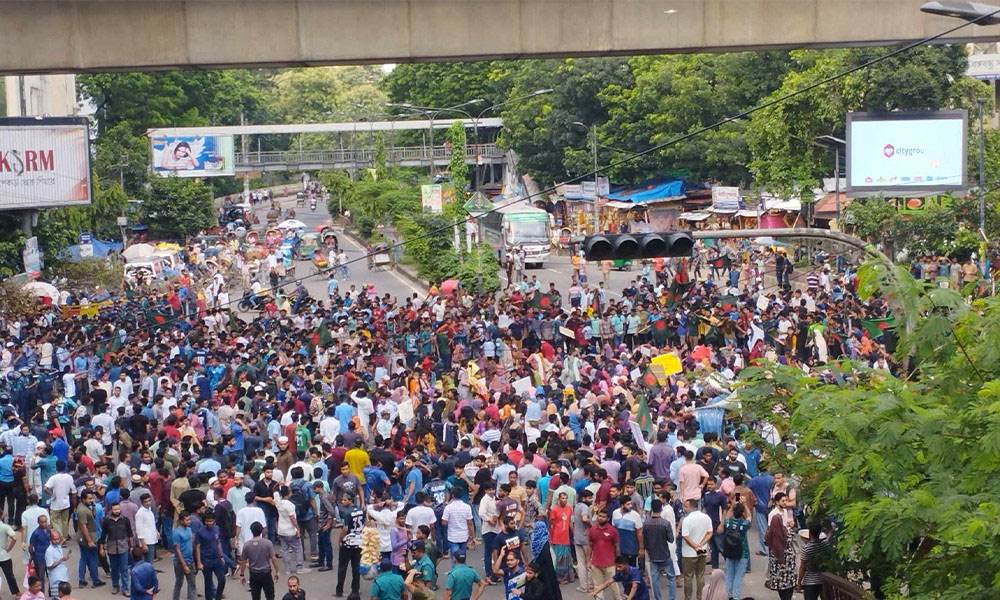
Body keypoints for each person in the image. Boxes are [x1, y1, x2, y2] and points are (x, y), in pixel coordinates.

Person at [764, 493, 797, 600]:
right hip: (783, 560)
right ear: (777, 502)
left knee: (783, 582)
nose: (785, 503)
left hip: (782, 560)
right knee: (785, 583)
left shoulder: (785, 512)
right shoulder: (773, 515)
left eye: (785, 501)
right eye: (783, 501)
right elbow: (772, 531)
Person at [643, 499, 677, 600]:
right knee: (671, 577)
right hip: (665, 554)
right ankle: (671, 598)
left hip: (653, 555)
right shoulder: (665, 523)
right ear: (661, 509)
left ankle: (658, 598)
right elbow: (671, 539)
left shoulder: (646, 523)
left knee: (655, 579)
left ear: (652, 509)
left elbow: (645, 540)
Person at [98, 501, 133, 595]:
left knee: (124, 568)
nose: (117, 511)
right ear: (111, 510)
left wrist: (132, 546)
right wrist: (101, 548)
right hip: (112, 548)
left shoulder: (125, 520)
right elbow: (103, 536)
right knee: (114, 569)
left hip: (123, 548)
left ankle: (125, 588)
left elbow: (130, 533)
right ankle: (115, 586)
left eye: (118, 509)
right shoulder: (107, 522)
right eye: (115, 509)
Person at [679, 499, 712, 600]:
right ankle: (700, 597)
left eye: (685, 506)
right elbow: (710, 532)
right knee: (700, 575)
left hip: (689, 553)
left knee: (688, 577)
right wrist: (700, 545)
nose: (684, 509)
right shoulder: (706, 517)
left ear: (691, 507)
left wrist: (694, 546)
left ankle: (688, 598)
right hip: (702, 550)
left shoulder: (686, 520)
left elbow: (685, 536)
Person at [239, 522, 280, 600]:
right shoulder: (267, 543)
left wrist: (242, 574)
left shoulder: (247, 545)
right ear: (262, 530)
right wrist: (277, 571)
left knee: (255, 596)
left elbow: (243, 561)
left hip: (254, 574)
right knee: (270, 596)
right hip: (266, 573)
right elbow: (273, 558)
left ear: (251, 531)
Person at [718, 504, 750, 600]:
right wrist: (745, 505)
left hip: (729, 552)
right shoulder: (744, 524)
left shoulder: (728, 522)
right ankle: (736, 596)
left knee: (729, 574)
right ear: (742, 513)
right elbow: (749, 517)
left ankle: (728, 594)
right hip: (742, 553)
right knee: (738, 576)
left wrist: (732, 505)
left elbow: (727, 516)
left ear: (733, 513)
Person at [797, 521, 835, 600]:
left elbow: (802, 567)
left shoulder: (806, 549)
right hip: (823, 579)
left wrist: (799, 582)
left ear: (810, 534)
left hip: (810, 581)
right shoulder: (825, 545)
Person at [335, 492, 364, 598]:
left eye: (344, 500)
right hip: (359, 542)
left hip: (348, 542)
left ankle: (339, 590)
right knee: (356, 566)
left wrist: (340, 540)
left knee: (343, 566)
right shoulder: (361, 510)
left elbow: (345, 528)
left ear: (350, 500)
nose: (342, 502)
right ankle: (355, 589)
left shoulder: (346, 512)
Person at [194, 511, 226, 600]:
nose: (209, 523)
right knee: (208, 584)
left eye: (211, 521)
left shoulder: (217, 529)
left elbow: (218, 543)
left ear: (214, 521)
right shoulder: (200, 532)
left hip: (216, 559)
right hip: (206, 560)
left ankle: (218, 597)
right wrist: (199, 562)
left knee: (222, 579)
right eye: (207, 521)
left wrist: (222, 556)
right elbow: (197, 547)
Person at [587, 510, 619, 600]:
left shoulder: (613, 531)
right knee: (597, 588)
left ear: (608, 518)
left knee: (614, 587)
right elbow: (589, 546)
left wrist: (618, 562)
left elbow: (616, 547)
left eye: (603, 517)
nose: (601, 518)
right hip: (595, 564)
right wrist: (588, 561)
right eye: (599, 516)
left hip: (610, 564)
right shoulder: (592, 530)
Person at [172, 511, 198, 600]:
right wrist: (184, 565)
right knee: (179, 584)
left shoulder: (189, 530)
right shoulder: (176, 533)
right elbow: (177, 550)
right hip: (180, 563)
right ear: (181, 521)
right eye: (187, 520)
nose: (189, 522)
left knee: (192, 584)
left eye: (189, 520)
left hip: (190, 560)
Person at [44, 531, 70, 600]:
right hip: (56, 579)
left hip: (63, 576)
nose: (56, 541)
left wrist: (64, 558)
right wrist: (61, 560)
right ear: (50, 539)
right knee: (57, 597)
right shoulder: (49, 550)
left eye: (58, 539)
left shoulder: (58, 547)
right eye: (54, 539)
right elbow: (49, 566)